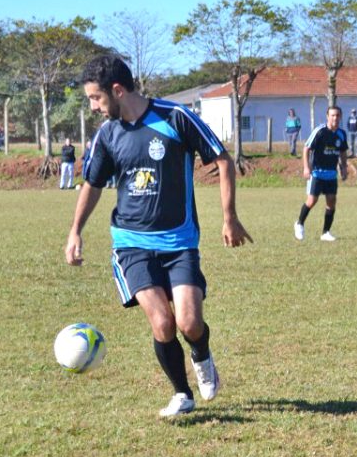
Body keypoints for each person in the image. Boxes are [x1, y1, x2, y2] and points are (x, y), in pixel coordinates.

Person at [65, 54, 253, 418]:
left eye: (96, 98)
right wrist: (75, 232)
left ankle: (201, 354)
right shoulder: (107, 134)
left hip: (179, 242)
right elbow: (92, 184)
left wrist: (229, 218)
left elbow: (223, 160)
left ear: (117, 90)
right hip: (131, 244)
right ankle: (182, 393)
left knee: (189, 324)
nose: (93, 107)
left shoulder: (175, 117)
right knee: (163, 323)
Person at [294, 105, 348, 242]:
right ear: (327, 116)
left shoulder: (341, 134)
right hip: (317, 173)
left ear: (340, 117)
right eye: (332, 115)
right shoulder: (320, 131)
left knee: (331, 202)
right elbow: (306, 148)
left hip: (331, 174)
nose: (335, 118)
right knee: (312, 200)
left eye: (337, 115)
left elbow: (342, 151)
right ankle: (299, 223)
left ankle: (325, 232)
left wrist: (344, 167)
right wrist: (306, 168)